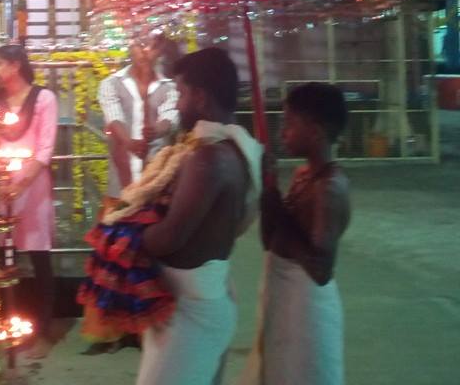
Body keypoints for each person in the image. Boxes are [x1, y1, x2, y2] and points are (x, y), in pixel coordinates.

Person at [112, 47, 261, 385]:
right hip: (193, 301)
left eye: (180, 93)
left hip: (192, 312)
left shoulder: (210, 158)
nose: (177, 104)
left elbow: (170, 237)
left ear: (200, 96)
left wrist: (123, 233)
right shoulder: (218, 149)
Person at [240, 83, 350, 385]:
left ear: (315, 131)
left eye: (289, 123)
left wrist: (276, 200)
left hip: (306, 308)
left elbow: (320, 269)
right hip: (283, 295)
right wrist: (267, 191)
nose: (281, 131)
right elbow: (270, 240)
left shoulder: (329, 188)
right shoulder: (304, 176)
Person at [86, 37, 179, 351]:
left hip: (155, 183)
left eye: (151, 46)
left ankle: (148, 329)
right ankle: (108, 331)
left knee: (151, 259)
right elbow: (113, 118)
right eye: (139, 45)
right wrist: (128, 142)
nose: (144, 51)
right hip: (123, 181)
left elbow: (172, 117)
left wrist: (159, 130)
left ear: (160, 50)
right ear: (130, 48)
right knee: (113, 258)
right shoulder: (112, 83)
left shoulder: (170, 87)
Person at [0, 44, 58, 357]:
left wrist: (22, 184)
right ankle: (8, 322)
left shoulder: (44, 98)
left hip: (34, 188)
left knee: (39, 254)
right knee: (6, 258)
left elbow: (44, 150)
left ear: (16, 65)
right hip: (3, 186)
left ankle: (43, 328)